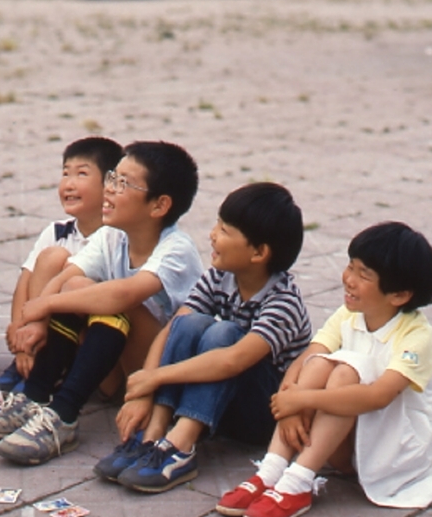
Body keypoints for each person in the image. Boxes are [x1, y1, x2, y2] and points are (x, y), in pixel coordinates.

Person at [0, 140, 204, 466]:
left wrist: (47, 306)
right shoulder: (113, 235)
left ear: (159, 205)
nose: (110, 189)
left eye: (123, 184)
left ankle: (64, 414)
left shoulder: (176, 249)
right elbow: (69, 274)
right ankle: (35, 396)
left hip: (160, 377)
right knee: (78, 285)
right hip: (117, 368)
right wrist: (39, 317)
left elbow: (125, 294)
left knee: (111, 297)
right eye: (112, 178)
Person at [217, 221, 432, 517]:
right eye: (351, 266)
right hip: (345, 444)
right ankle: (271, 471)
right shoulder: (349, 314)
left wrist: (302, 400)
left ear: (400, 295)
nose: (349, 279)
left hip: (392, 451)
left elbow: (378, 396)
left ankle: (298, 483)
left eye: (364, 275)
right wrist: (289, 407)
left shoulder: (417, 336)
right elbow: (305, 360)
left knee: (347, 371)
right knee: (320, 363)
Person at [96, 182, 312, 493]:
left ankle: (181, 447)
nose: (212, 235)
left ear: (259, 252)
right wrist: (144, 391)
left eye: (224, 230)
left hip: (263, 414)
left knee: (225, 333)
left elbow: (233, 360)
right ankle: (153, 436)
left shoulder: (283, 302)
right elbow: (174, 329)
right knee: (190, 323)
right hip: (220, 400)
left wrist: (156, 377)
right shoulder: (220, 276)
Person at [0, 136, 124, 394]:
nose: (69, 184)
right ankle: (30, 361)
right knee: (51, 257)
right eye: (65, 173)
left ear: (110, 184)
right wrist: (21, 331)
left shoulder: (117, 239)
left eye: (82, 174)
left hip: (89, 336)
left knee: (72, 278)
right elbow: (26, 281)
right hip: (44, 328)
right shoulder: (57, 231)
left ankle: (54, 370)